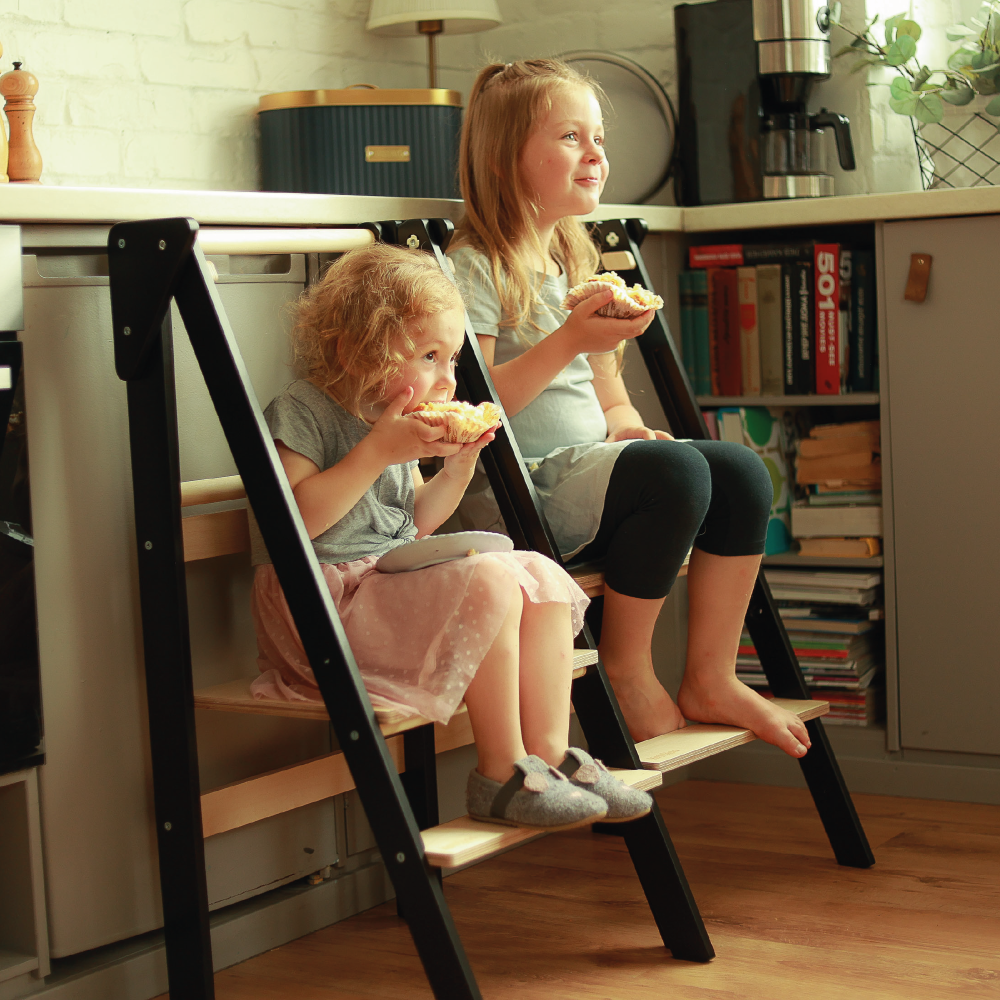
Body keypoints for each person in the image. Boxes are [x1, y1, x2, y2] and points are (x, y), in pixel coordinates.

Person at [449, 59, 812, 758]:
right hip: (524, 490)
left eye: (599, 138)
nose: (596, 154)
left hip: (588, 470)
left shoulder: (571, 256)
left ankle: (710, 674)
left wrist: (624, 423)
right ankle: (626, 666)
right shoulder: (475, 266)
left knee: (739, 471)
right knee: (676, 475)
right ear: (504, 158)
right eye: (570, 137)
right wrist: (567, 339)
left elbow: (607, 387)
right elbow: (480, 410)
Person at [248, 243, 652, 829]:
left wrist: (459, 467)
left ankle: (548, 754)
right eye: (428, 356)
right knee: (489, 577)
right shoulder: (305, 410)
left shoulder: (393, 422)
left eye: (453, 358)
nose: (447, 378)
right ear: (351, 348)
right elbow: (293, 524)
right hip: (321, 608)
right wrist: (380, 450)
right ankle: (499, 772)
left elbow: (414, 521)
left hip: (383, 589)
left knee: (535, 572)